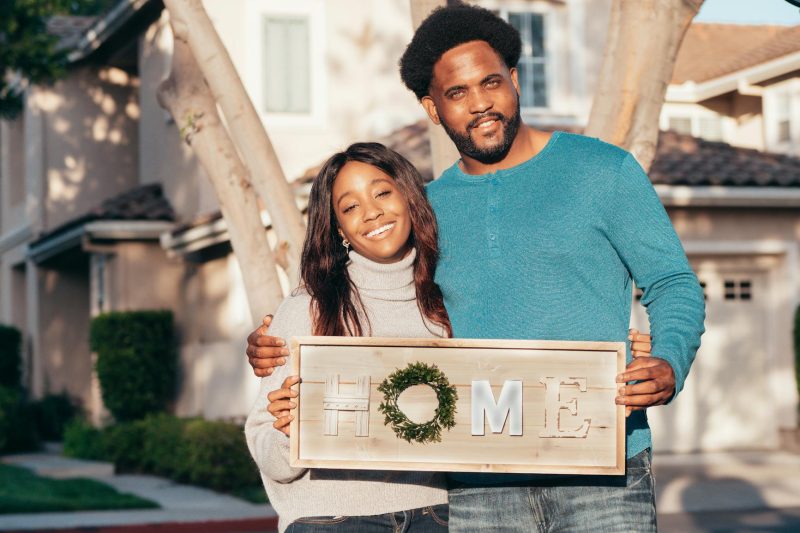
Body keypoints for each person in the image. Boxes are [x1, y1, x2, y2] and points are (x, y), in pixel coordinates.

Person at [246, 3, 704, 532]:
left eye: (490, 82)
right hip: (477, 482)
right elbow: (364, 284)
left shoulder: (604, 172)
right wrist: (274, 337)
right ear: (433, 109)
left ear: (514, 80)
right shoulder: (425, 211)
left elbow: (672, 283)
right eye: (457, 93)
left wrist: (668, 359)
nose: (481, 104)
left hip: (602, 466)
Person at [245, 143, 452, 533]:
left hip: (436, 516)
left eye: (381, 192)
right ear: (338, 228)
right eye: (350, 206)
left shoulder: (445, 305)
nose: (371, 212)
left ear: (409, 196)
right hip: (332, 519)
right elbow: (267, 449)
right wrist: (291, 434)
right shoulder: (308, 308)